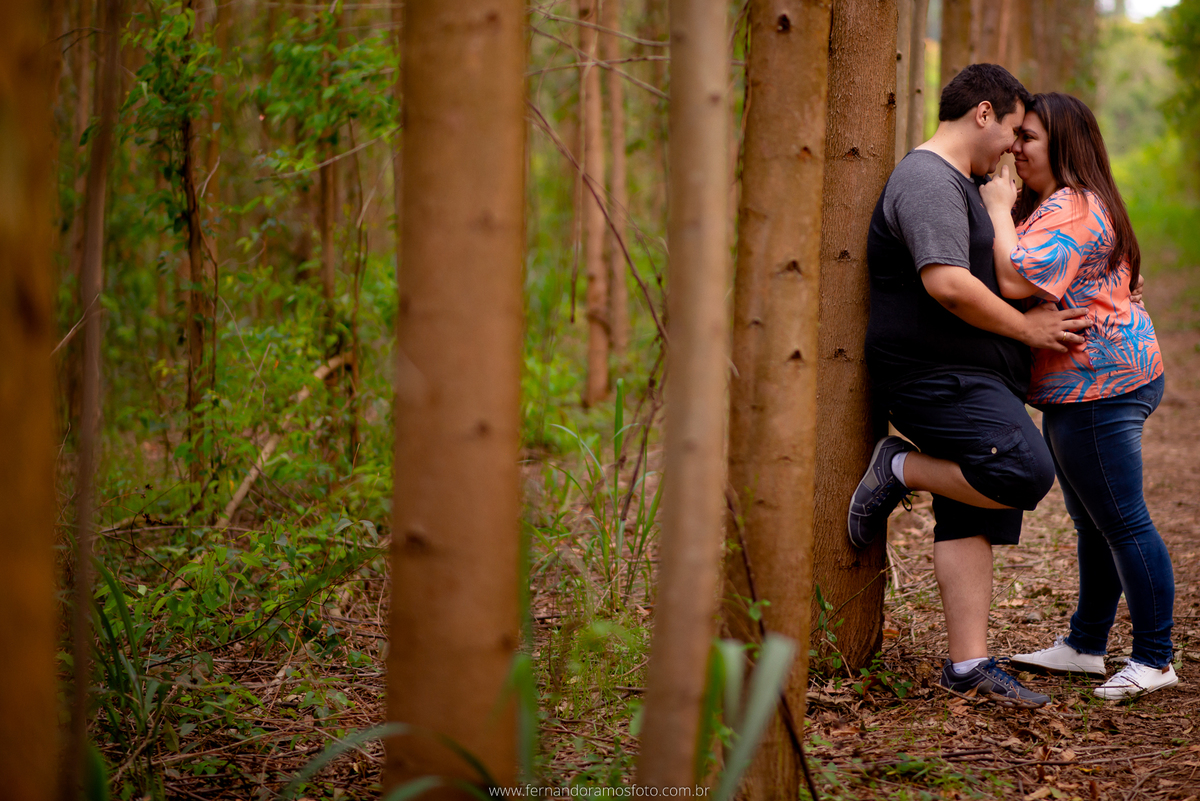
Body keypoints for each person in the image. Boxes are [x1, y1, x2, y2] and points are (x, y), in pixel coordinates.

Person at [847, 64, 1093, 709]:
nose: (1016, 147)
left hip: (975, 376)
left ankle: (968, 663)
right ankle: (900, 467)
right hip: (936, 376)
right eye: (1014, 130)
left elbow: (1024, 265)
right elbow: (947, 283)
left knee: (971, 511)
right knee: (1020, 470)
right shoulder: (927, 178)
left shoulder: (967, 184)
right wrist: (1027, 331)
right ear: (983, 113)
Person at [977, 92, 1177, 700]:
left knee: (1122, 522)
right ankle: (1086, 644)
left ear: (1063, 143)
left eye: (1028, 138)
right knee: (1093, 523)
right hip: (1089, 382)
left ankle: (1155, 657)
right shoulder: (1067, 201)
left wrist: (994, 207)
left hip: (1101, 386)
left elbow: (1014, 278)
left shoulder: (1073, 205)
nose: (1016, 147)